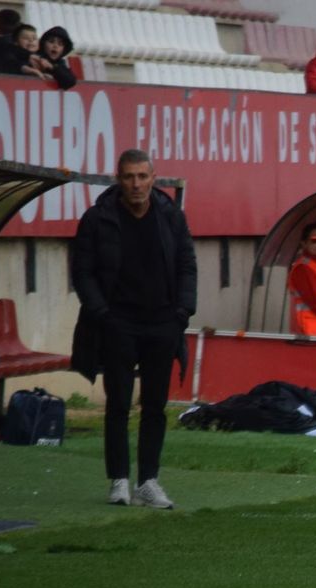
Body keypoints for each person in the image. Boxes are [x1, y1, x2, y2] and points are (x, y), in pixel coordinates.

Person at [71, 149, 197, 510]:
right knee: (118, 404)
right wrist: (102, 313)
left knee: (155, 406)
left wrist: (182, 312)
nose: (136, 184)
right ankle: (119, 480)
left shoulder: (171, 216)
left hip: (162, 322)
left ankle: (148, 481)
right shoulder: (98, 219)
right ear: (118, 179)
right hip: (118, 323)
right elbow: (83, 271)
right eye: (129, 177)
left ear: (154, 178)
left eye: (142, 176)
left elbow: (187, 264)